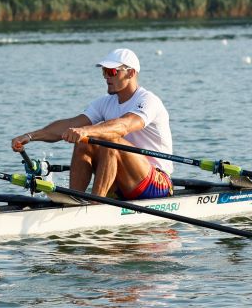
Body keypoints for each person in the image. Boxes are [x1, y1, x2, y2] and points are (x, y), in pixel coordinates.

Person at [10, 48, 173, 200]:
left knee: (110, 139)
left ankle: (96, 205)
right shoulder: (104, 103)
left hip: (156, 183)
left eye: (112, 72)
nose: (106, 77)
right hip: (121, 182)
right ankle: (73, 200)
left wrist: (86, 131)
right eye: (104, 72)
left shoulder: (148, 101)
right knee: (84, 142)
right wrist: (30, 136)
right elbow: (70, 124)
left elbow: (124, 125)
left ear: (130, 73)